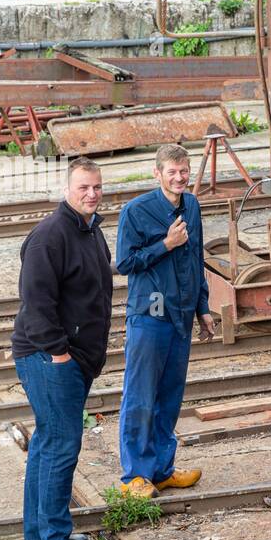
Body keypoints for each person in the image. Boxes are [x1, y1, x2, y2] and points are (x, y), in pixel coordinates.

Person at [11, 157, 114, 540]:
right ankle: (54, 538)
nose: (91, 194)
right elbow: (36, 304)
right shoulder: (49, 237)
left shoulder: (91, 232)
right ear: (67, 189)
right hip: (48, 357)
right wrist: (59, 353)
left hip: (76, 359)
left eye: (97, 187)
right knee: (61, 445)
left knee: (47, 442)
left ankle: (38, 534)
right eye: (83, 187)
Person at [115, 144, 215, 499]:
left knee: (170, 397)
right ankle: (134, 478)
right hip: (149, 316)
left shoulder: (192, 206)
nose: (179, 177)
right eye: (171, 171)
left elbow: (197, 260)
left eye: (184, 171)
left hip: (181, 317)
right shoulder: (135, 212)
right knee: (141, 396)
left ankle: (161, 469)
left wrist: (203, 308)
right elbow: (124, 263)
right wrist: (166, 244)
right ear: (157, 174)